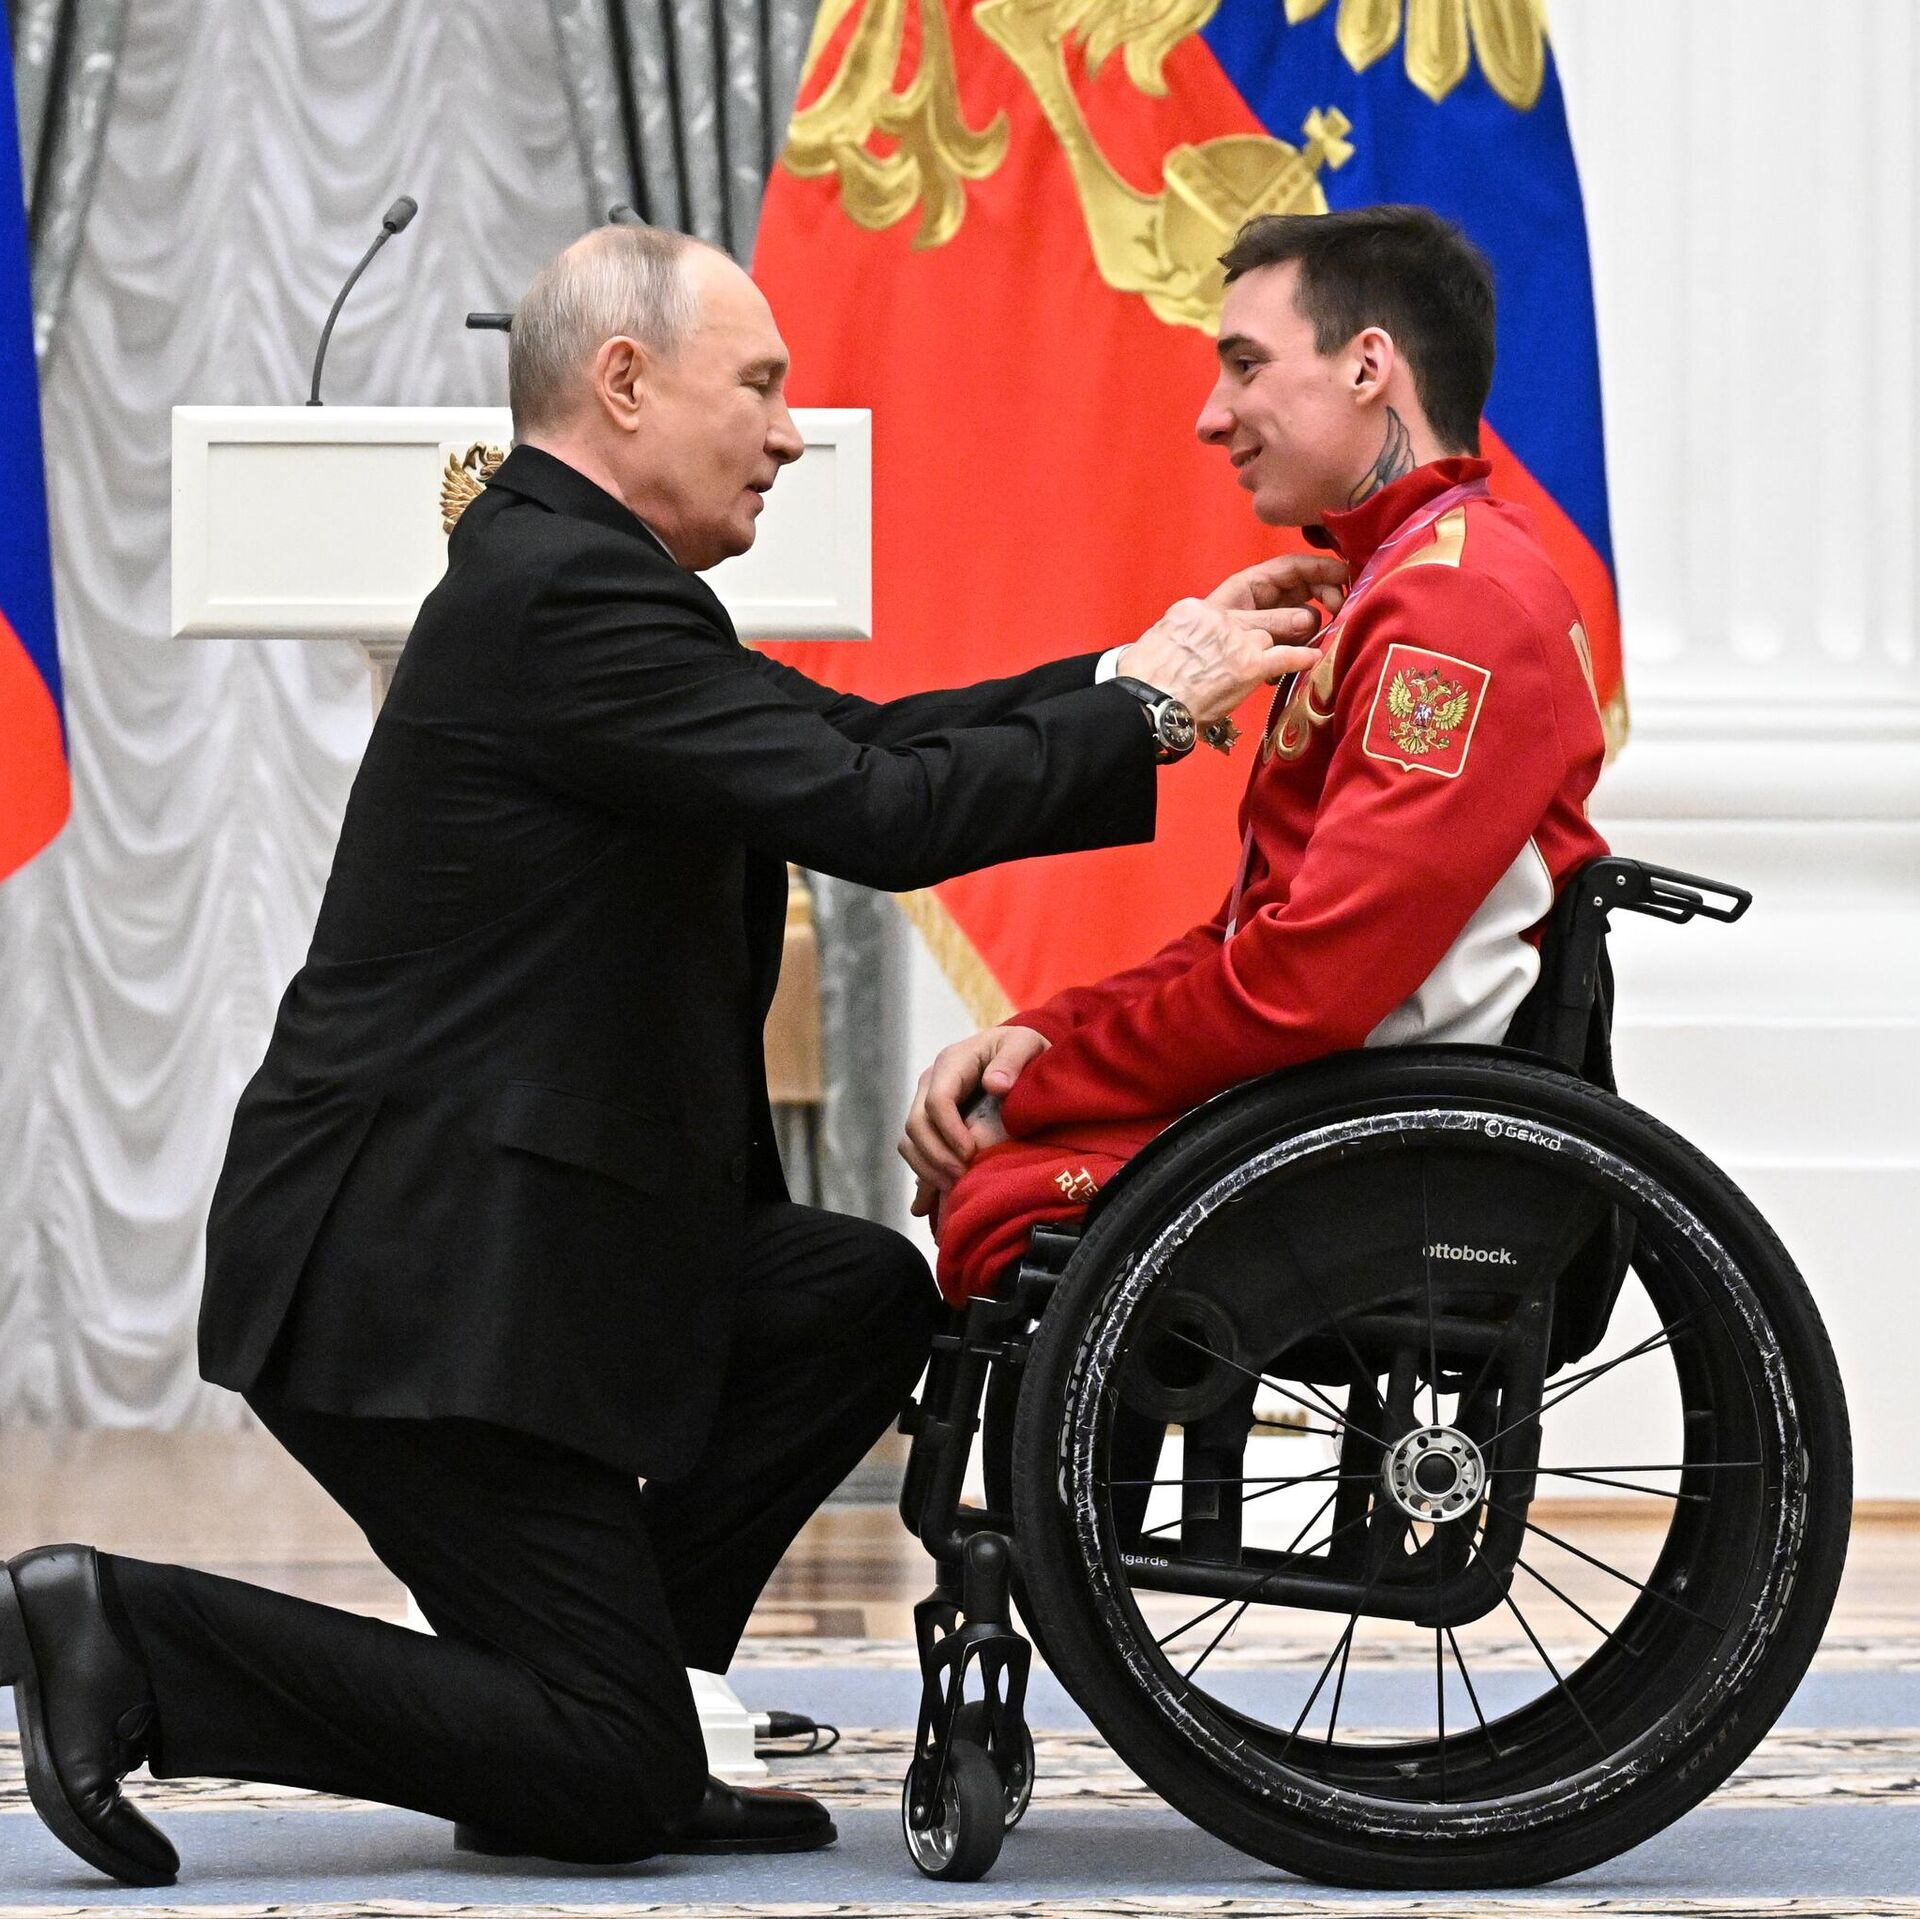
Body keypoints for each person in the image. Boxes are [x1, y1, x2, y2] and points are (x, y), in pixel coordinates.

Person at [0, 224, 1335, 1888]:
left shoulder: (582, 576)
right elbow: (879, 808)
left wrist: (1139, 667)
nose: (788, 431)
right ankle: (125, 1632)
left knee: (849, 1293)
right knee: (605, 1768)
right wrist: (1150, 713)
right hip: (414, 1274)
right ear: (623, 382)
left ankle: (613, 1693)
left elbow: (861, 739)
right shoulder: (559, 593)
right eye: (760, 385)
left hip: (518, 1240)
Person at [903, 205, 1612, 1304]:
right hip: (1336, 1102)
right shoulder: (1402, 584)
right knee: (994, 1176)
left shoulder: (1457, 606)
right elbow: (1251, 935)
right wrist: (1037, 1035)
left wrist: (1036, 1093)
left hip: (1383, 1136)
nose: (1211, 416)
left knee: (1001, 1192)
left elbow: (1310, 984)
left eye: (1245, 364)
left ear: (1368, 365)